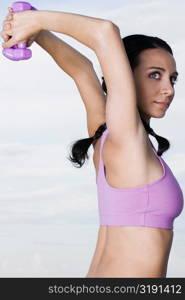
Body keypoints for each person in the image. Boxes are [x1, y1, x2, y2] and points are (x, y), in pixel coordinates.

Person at [1, 7, 184, 278]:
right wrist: (34, 20)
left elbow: (82, 70)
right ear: (126, 77)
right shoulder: (127, 140)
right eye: (154, 75)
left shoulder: (107, 135)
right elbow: (105, 33)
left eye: (173, 78)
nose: (168, 88)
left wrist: (37, 32)